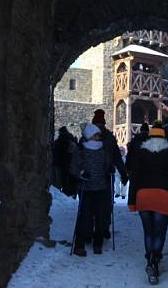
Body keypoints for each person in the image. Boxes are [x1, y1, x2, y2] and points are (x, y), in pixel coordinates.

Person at [127, 125, 168, 285]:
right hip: (162, 195)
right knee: (159, 232)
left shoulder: (141, 152)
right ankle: (154, 260)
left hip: (143, 194)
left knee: (148, 232)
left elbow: (134, 177)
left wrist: (131, 201)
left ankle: (149, 258)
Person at [69, 124, 114, 256]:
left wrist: (110, 170)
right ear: (89, 136)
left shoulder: (103, 151)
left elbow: (107, 166)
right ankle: (79, 245)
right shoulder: (81, 151)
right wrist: (81, 173)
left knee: (101, 218)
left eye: (98, 135)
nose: (98, 137)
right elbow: (73, 168)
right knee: (84, 218)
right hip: (86, 189)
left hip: (101, 188)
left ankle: (97, 244)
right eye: (95, 135)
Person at [91, 109, 129, 236]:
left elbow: (80, 154)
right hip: (106, 174)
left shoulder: (87, 135)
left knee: (89, 204)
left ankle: (89, 229)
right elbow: (117, 157)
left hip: (90, 175)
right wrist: (123, 172)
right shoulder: (109, 137)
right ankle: (104, 226)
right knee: (106, 202)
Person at [52, 126, 77, 197]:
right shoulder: (71, 139)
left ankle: (60, 194)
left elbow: (57, 152)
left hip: (60, 163)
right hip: (70, 163)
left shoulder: (59, 141)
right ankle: (70, 192)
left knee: (59, 181)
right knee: (69, 180)